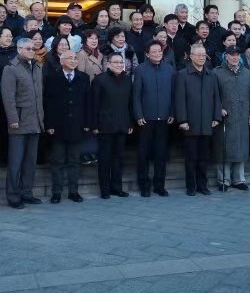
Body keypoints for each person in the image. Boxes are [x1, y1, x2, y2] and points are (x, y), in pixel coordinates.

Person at [1, 38, 44, 209]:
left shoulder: (37, 67)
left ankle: (27, 193)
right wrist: (13, 119)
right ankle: (13, 196)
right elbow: (8, 97)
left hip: (35, 121)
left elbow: (39, 96)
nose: (32, 51)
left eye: (33, 49)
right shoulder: (11, 69)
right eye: (28, 48)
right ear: (19, 49)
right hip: (19, 122)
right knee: (16, 162)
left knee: (30, 162)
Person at [44, 51, 90, 204]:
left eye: (75, 58)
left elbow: (87, 102)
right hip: (58, 125)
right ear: (61, 61)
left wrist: (87, 123)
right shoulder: (52, 78)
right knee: (57, 161)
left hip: (77, 125)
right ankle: (56, 192)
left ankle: (73, 192)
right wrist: (49, 124)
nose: (73, 61)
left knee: (74, 160)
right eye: (70, 58)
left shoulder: (83, 77)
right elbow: (48, 102)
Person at [176, 44, 221, 196]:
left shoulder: (211, 75)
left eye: (203, 55)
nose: (202, 57)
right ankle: (191, 186)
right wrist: (182, 120)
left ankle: (203, 186)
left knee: (204, 158)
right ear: (191, 57)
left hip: (207, 123)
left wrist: (216, 117)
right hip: (190, 123)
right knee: (191, 158)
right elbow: (180, 99)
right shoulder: (183, 75)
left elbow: (216, 98)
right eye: (198, 55)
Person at [133, 40, 176, 197]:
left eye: (159, 51)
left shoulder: (169, 69)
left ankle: (159, 185)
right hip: (146, 119)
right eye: (154, 51)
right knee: (143, 154)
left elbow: (174, 94)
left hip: (164, 119)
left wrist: (172, 113)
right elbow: (136, 95)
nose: (157, 54)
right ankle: (144, 185)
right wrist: (138, 115)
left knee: (161, 154)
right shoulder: (140, 70)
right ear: (147, 54)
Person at [212, 46, 250, 192]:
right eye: (232, 55)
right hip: (226, 116)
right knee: (224, 148)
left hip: (242, 115)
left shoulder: (246, 72)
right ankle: (223, 180)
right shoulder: (217, 72)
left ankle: (239, 180)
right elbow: (213, 94)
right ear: (226, 56)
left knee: (241, 147)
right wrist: (219, 109)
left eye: (237, 55)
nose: (235, 57)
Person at [91, 53, 133, 199]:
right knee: (105, 159)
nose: (119, 65)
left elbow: (130, 103)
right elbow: (94, 104)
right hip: (105, 126)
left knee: (119, 159)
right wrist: (94, 125)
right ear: (108, 64)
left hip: (122, 125)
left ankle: (117, 188)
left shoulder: (127, 80)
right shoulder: (100, 80)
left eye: (121, 62)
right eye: (116, 62)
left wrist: (130, 122)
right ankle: (105, 189)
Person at [0, 27, 17, 166]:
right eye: (6, 36)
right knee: (0, 126)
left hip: (15, 95)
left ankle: (14, 156)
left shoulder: (16, 53)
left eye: (10, 36)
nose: (9, 38)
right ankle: (0, 158)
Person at [76, 29, 103, 166]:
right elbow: (80, 75)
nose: (94, 41)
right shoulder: (81, 54)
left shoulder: (100, 54)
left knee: (96, 123)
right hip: (88, 93)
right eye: (91, 38)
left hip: (99, 92)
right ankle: (85, 153)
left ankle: (94, 151)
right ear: (85, 40)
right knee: (88, 123)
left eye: (96, 38)